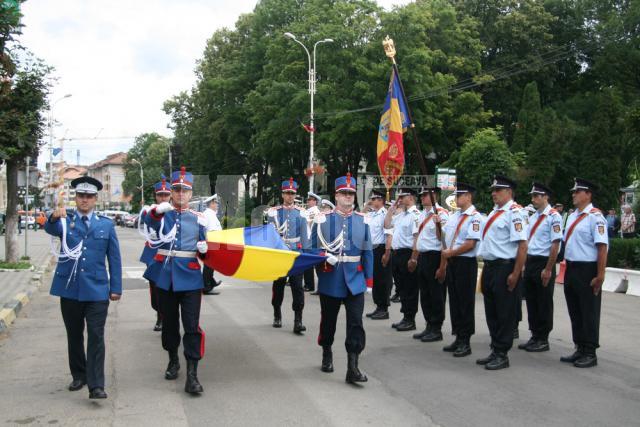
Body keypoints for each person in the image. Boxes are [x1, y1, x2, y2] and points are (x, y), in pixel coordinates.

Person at [45, 176, 122, 399]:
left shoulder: (105, 224)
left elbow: (114, 259)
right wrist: (52, 216)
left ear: (95, 199)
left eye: (89, 196)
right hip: (70, 288)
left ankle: (96, 384)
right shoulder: (64, 220)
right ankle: (79, 375)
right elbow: (49, 229)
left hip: (97, 289)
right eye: (81, 196)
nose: (85, 200)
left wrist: (116, 287)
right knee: (74, 334)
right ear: (75, 198)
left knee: (96, 335)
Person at [144, 167, 208, 394]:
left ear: (191, 194)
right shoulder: (161, 214)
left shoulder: (199, 219)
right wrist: (157, 212)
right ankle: (173, 359)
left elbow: (207, 252)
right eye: (177, 190)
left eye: (185, 190)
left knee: (191, 327)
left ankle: (192, 374)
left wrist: (204, 250)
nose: (181, 194)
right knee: (170, 325)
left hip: (190, 279)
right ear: (171, 192)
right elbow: (148, 221)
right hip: (167, 278)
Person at [310, 174, 373, 384]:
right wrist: (322, 260)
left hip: (355, 280)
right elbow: (311, 249)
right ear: (336, 195)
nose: (348, 196)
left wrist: (369, 280)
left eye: (351, 193)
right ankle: (326, 350)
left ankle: (352, 367)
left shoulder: (362, 220)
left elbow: (368, 252)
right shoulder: (322, 219)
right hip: (331, 279)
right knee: (328, 322)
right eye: (344, 193)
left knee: (356, 324)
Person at [477, 175, 527, 370]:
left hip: (505, 267)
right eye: (493, 190)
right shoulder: (494, 212)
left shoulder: (514, 213)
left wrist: (515, 273)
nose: (493, 193)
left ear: (509, 192)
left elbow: (522, 246)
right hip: (490, 267)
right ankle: (495, 348)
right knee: (492, 312)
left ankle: (502, 353)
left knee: (504, 312)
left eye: (498, 190)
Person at [560, 178, 608, 368]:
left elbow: (602, 248)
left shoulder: (596, 217)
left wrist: (600, 275)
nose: (573, 194)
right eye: (573, 191)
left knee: (589, 311)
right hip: (571, 268)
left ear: (588, 194)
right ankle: (579, 347)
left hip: (588, 269)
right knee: (575, 310)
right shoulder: (571, 216)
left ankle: (590, 351)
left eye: (577, 191)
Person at [439, 183, 483, 356]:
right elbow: (443, 236)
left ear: (469, 197)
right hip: (453, 262)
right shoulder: (454, 216)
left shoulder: (475, 217)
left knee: (465, 303)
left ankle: (466, 340)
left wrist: (451, 253)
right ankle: (457, 336)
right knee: (455, 302)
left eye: (460, 195)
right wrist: (437, 225)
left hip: (465, 262)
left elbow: (471, 244)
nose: (456, 198)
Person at [519, 182, 563, 352]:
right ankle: (534, 335)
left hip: (544, 262)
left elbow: (555, 244)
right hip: (531, 261)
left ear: (546, 197)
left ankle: (543, 338)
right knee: (531, 300)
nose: (533, 199)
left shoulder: (554, 216)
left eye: (537, 195)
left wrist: (549, 268)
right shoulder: (534, 216)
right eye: (532, 196)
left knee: (543, 300)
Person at [267, 178, 309, 333]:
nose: (290, 196)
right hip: (279, 253)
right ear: (282, 194)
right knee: (278, 286)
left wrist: (305, 254)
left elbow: (304, 236)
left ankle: (298, 320)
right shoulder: (274, 212)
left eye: (292, 193)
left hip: (295, 254)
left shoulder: (301, 213)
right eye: (287, 193)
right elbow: (270, 234)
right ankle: (277, 313)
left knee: (298, 287)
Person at [410, 187, 449, 343]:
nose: (422, 198)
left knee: (436, 294)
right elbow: (420, 238)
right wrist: (414, 257)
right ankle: (428, 325)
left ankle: (436, 328)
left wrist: (442, 266)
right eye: (421, 195)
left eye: (425, 195)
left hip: (435, 257)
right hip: (423, 257)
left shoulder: (442, 214)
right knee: (425, 294)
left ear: (434, 196)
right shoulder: (422, 215)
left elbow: (444, 241)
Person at [385, 188, 421, 331]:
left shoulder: (415, 215)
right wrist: (392, 208)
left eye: (402, 196)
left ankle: (410, 319)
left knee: (410, 288)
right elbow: (387, 224)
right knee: (402, 288)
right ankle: (405, 316)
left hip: (408, 254)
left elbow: (416, 238)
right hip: (398, 254)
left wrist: (413, 258)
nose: (399, 199)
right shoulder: (402, 215)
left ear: (411, 197)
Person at [139, 177, 172, 331]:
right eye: (160, 195)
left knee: (171, 287)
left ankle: (169, 316)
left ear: (170, 195)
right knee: (156, 287)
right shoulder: (149, 210)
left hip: (171, 252)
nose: (163, 197)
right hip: (154, 252)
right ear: (156, 196)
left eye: (166, 194)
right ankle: (159, 314)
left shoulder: (175, 211)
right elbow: (147, 222)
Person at [364, 189, 393, 320]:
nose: (372, 201)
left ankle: (384, 308)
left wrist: (387, 253)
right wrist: (366, 205)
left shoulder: (385, 215)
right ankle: (378, 306)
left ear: (381, 200)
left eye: (375, 199)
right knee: (375, 279)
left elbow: (389, 235)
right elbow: (360, 216)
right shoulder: (371, 214)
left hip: (381, 249)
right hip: (371, 250)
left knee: (383, 280)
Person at [202, 194, 222, 295]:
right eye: (216, 203)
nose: (217, 205)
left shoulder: (210, 213)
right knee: (209, 265)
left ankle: (210, 282)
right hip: (212, 242)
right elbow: (212, 230)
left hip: (211, 242)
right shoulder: (209, 214)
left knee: (210, 265)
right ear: (212, 204)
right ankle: (206, 287)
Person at [303, 192, 321, 293]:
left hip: (310, 240)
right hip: (308, 239)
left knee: (310, 265)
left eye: (310, 200)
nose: (308, 202)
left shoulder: (313, 211)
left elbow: (308, 224)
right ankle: (310, 285)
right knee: (309, 264)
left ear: (315, 201)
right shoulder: (309, 211)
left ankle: (310, 285)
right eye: (308, 200)